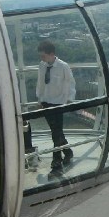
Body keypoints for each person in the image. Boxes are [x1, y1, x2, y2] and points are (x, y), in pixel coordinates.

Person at [35, 40, 75, 173]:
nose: (42, 58)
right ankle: (68, 151)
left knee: (55, 132)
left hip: (58, 102)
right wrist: (40, 99)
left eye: (44, 56)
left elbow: (70, 83)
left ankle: (56, 159)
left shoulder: (63, 66)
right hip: (46, 101)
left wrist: (69, 99)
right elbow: (40, 83)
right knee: (56, 131)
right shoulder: (42, 65)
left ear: (52, 54)